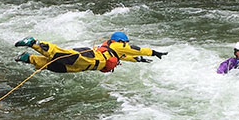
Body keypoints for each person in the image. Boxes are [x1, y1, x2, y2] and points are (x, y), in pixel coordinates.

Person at [14, 31, 167, 73]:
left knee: (58, 67)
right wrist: (153, 52)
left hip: (88, 64)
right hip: (91, 57)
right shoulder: (116, 45)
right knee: (63, 56)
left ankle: (29, 58)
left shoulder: (116, 51)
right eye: (125, 42)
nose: (126, 45)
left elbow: (127, 57)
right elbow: (137, 50)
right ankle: (34, 43)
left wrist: (140, 60)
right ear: (121, 41)